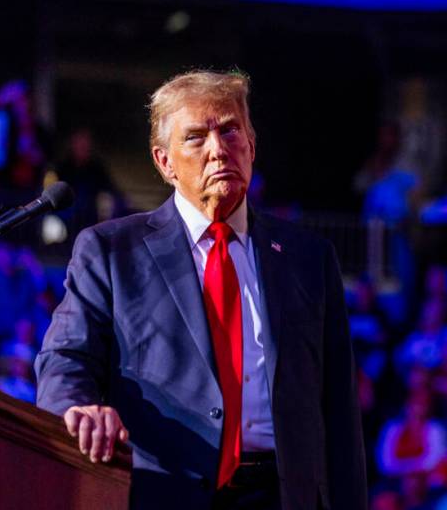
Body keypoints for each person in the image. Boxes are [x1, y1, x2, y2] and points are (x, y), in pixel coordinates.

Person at [35, 70, 367, 509]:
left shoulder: (309, 258)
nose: (218, 149)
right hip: (166, 492)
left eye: (230, 130)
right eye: (195, 137)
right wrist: (77, 407)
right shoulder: (111, 251)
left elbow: (340, 415)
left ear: (251, 144)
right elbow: (65, 357)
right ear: (164, 162)